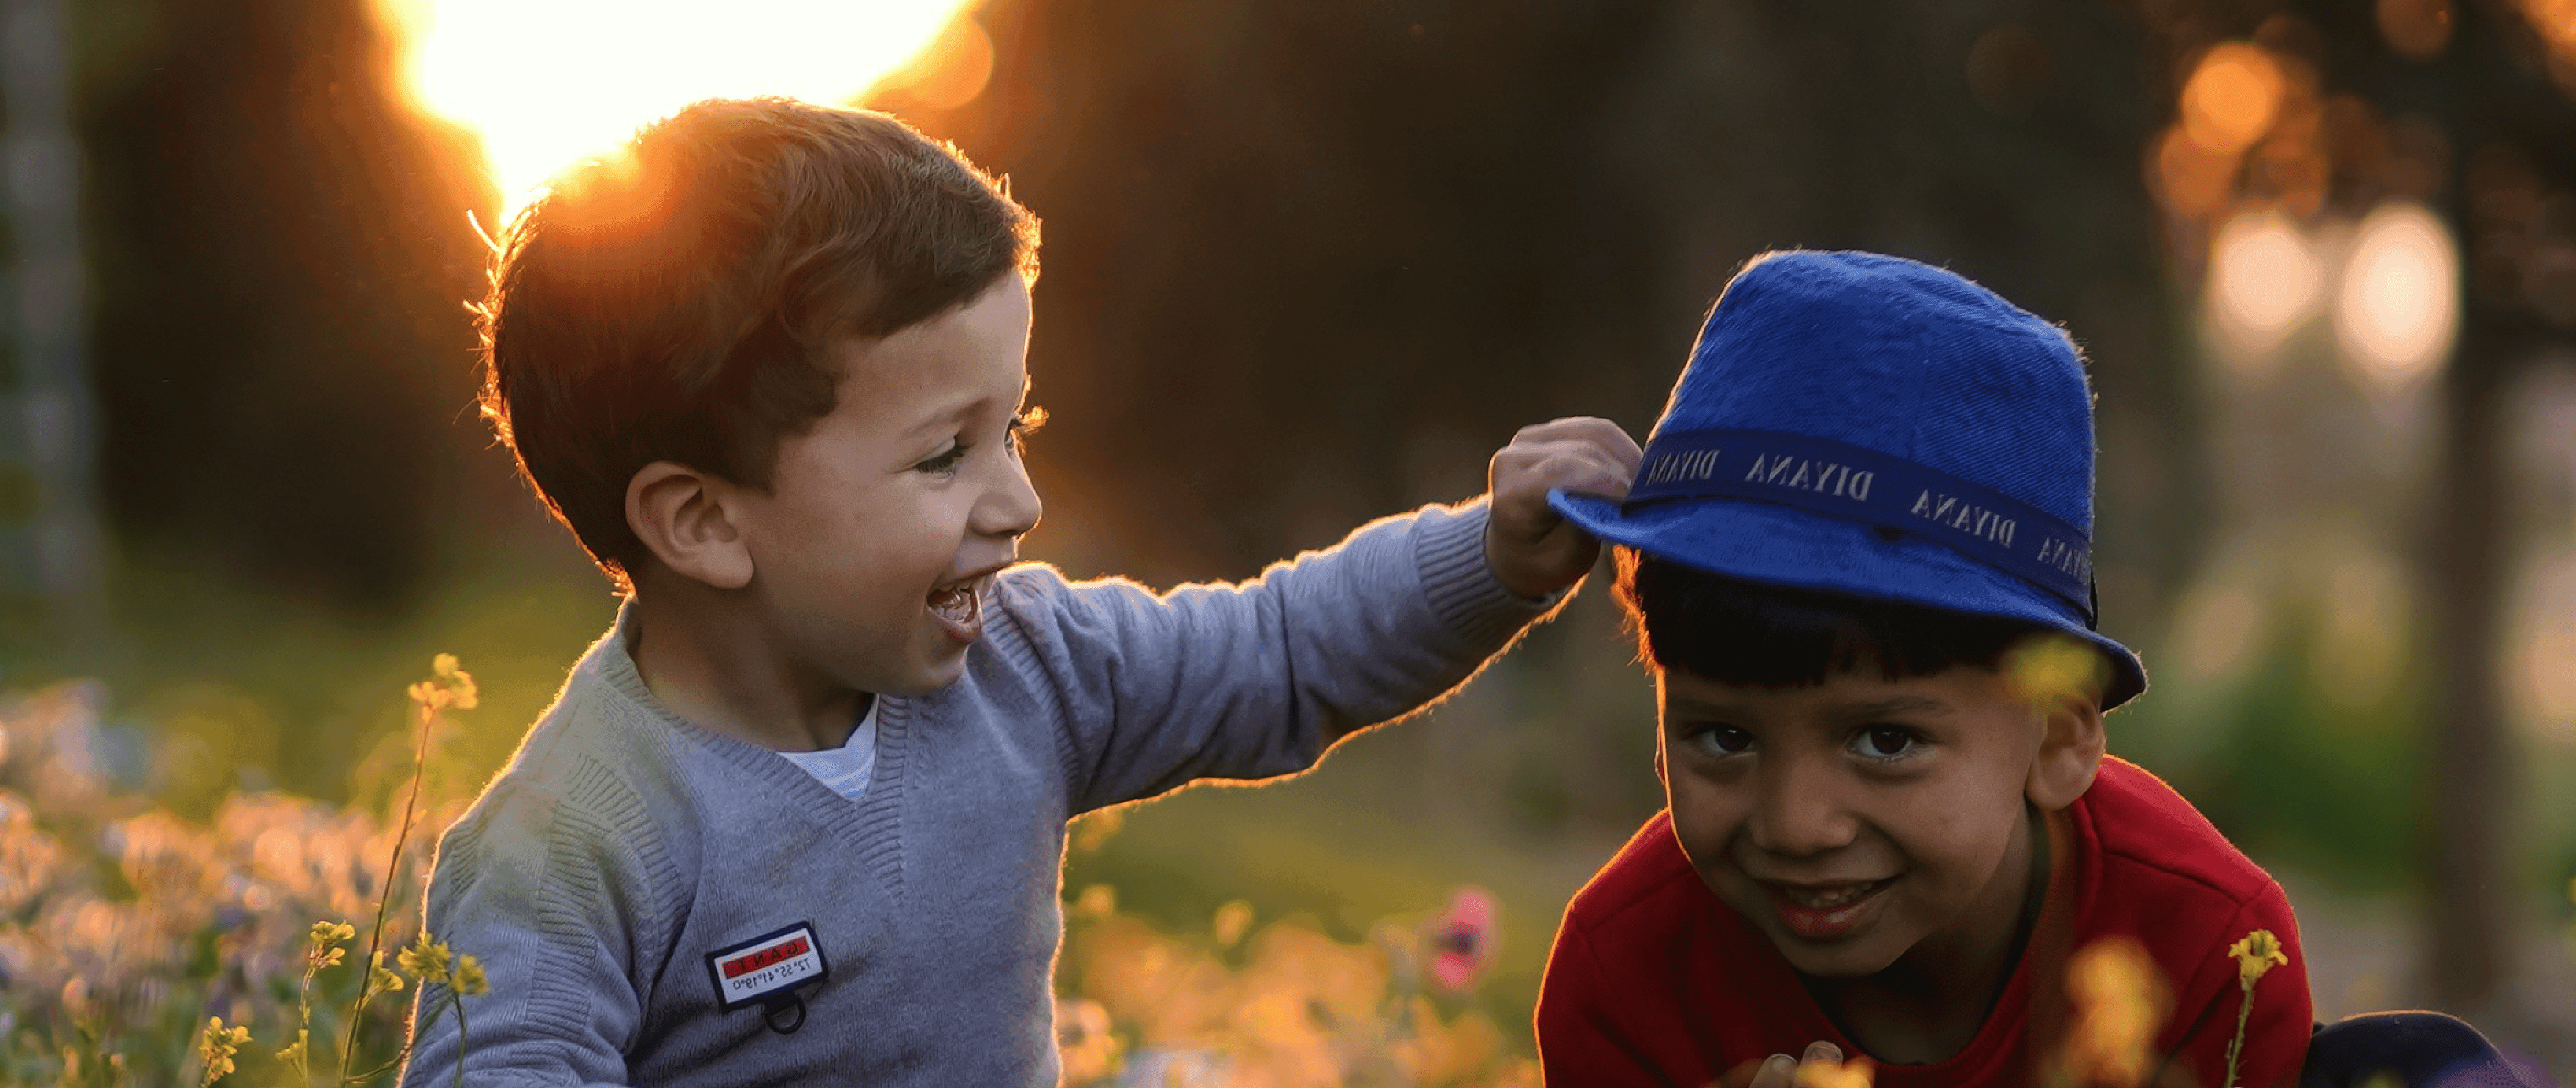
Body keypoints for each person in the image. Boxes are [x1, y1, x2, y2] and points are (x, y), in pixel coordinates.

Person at [398, 96, 1638, 1085]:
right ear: (706, 521)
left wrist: (1495, 561)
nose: (1017, 503)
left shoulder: (1027, 663)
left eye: (1016, 427)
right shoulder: (571, 843)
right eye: (946, 454)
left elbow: (1279, 652)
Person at [1529, 250, 2319, 1088]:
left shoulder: (2207, 952)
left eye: (1885, 740)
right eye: (1724, 737)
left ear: (2056, 735)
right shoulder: (1626, 977)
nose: (1796, 826)